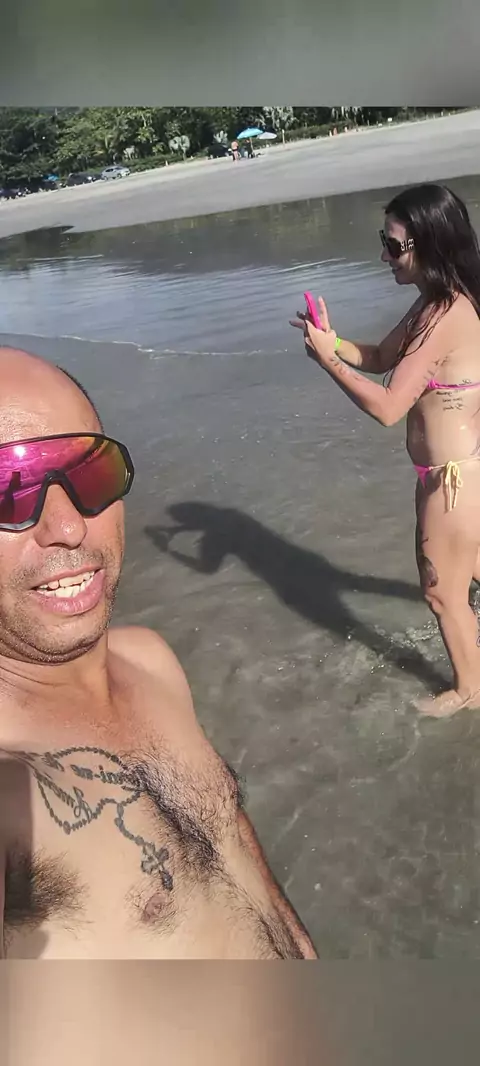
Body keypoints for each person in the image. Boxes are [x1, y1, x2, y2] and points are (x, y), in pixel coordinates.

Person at [0, 347, 316, 959]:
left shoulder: (151, 663)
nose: (68, 527)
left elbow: (234, 850)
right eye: (8, 491)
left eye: (89, 473)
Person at [291, 183, 480, 720]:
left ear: (430, 245)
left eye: (394, 246)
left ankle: (470, 691)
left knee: (442, 595)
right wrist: (333, 341)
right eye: (384, 241)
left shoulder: (445, 317)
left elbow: (390, 407)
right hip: (453, 475)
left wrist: (328, 362)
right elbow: (378, 357)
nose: (384, 256)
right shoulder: (433, 304)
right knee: (470, 571)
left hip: (453, 481)